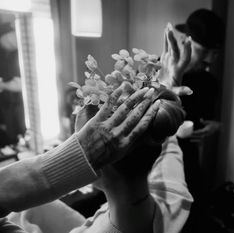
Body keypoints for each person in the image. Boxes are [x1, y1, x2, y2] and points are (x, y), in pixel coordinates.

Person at [5, 24, 193, 233]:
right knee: (33, 211)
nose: (72, 145)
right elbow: (165, 137)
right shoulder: (174, 197)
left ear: (95, 163)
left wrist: (79, 155)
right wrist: (167, 87)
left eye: (76, 141)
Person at [174, 8, 225, 233]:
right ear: (186, 41)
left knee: (197, 218)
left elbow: (207, 119)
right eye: (204, 51)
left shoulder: (209, 83)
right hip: (155, 163)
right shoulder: (157, 72)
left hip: (189, 162)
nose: (210, 60)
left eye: (215, 53)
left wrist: (216, 126)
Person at [0, 21, 26, 146]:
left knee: (22, 131)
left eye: (16, 36)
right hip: (4, 107)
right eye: (10, 36)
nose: (14, 39)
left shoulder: (19, 54)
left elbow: (21, 83)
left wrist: (4, 85)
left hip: (20, 103)